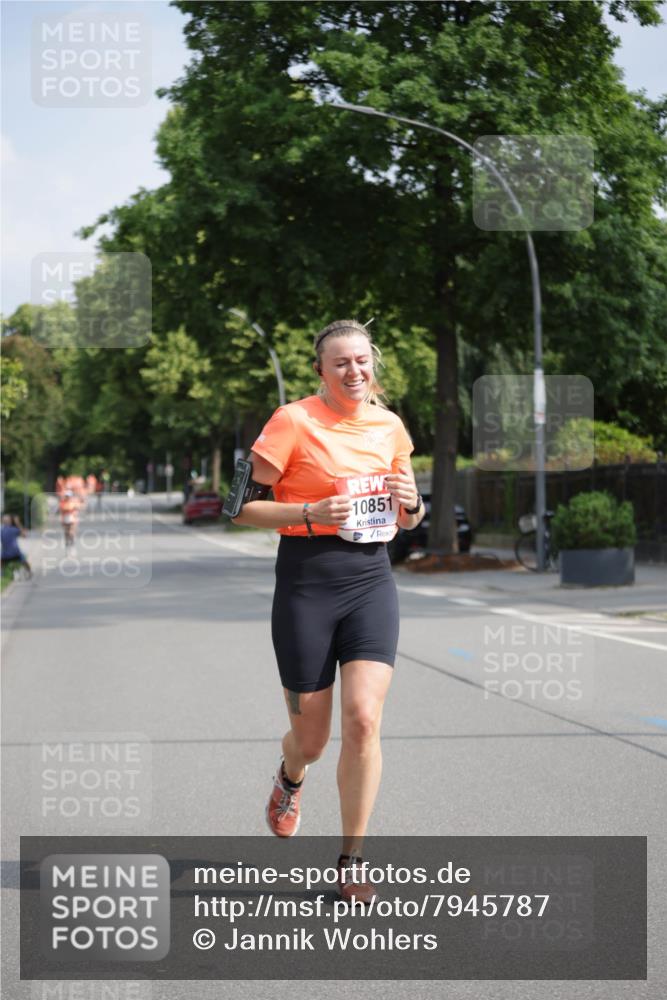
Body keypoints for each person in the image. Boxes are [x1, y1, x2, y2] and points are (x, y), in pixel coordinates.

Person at [231, 319, 424, 904]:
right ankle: (291, 777)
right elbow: (239, 507)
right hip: (306, 586)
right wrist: (311, 511)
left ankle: (352, 859)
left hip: (371, 580)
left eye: (362, 360)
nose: (354, 371)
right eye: (340, 362)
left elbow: (409, 514)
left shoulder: (390, 426)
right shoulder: (292, 421)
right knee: (311, 740)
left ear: (373, 366)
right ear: (321, 370)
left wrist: (415, 505)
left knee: (364, 719)